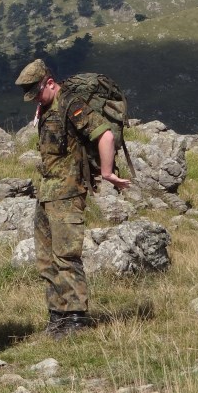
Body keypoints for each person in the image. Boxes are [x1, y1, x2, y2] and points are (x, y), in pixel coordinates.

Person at [15, 58, 130, 339]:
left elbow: (103, 135)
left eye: (37, 92)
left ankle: (76, 317)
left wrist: (107, 173)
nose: (34, 99)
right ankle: (57, 315)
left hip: (67, 192)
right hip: (47, 193)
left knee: (66, 255)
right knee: (45, 258)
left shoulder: (71, 103)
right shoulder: (46, 108)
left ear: (50, 83)